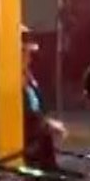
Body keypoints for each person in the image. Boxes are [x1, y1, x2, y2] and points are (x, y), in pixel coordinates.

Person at [22, 27, 66, 170]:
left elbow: (37, 108)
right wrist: (47, 125)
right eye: (23, 52)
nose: (28, 57)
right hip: (26, 151)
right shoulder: (8, 81)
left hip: (40, 149)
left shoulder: (28, 77)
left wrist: (47, 124)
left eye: (29, 52)